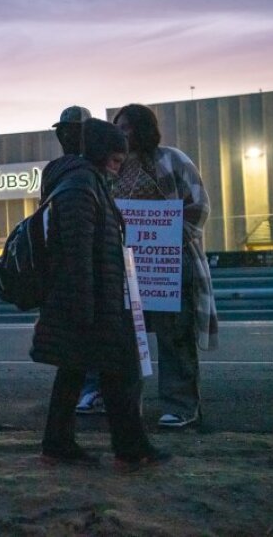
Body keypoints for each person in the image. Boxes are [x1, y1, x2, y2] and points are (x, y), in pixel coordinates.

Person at [31, 118, 170, 470]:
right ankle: (130, 450)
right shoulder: (80, 186)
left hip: (90, 299)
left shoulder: (86, 181)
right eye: (115, 161)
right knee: (119, 374)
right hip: (89, 301)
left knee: (75, 373)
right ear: (98, 154)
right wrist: (86, 309)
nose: (118, 169)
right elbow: (78, 253)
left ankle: (59, 444)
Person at [112, 104, 219, 428]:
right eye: (118, 127)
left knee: (175, 336)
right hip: (127, 267)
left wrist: (168, 237)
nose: (121, 133)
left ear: (144, 129)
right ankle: (126, 404)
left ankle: (181, 405)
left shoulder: (172, 159)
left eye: (127, 127)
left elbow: (199, 205)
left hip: (170, 264)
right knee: (125, 339)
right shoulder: (113, 169)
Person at [49, 106, 106, 416]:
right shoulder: (72, 172)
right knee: (81, 341)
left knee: (81, 343)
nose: (67, 135)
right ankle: (88, 394)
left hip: (85, 267)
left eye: (75, 130)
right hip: (81, 268)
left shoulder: (74, 169)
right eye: (64, 130)